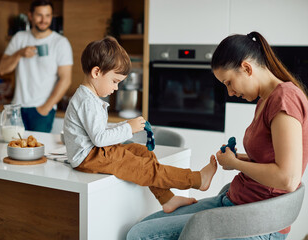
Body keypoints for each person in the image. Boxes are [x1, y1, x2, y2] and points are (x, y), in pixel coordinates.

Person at [126, 31, 308, 240]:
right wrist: (236, 160)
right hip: (235, 203)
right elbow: (271, 160)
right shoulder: (266, 99)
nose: (229, 92)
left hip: (256, 220)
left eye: (229, 82)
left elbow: (287, 178)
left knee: (140, 235)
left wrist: (236, 164)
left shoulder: (284, 99)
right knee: (144, 227)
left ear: (247, 68)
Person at [63, 36, 218, 213]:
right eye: (114, 81)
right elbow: (99, 139)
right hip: (90, 156)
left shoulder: (90, 98)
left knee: (143, 152)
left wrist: (126, 124)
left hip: (96, 152)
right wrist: (128, 128)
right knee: (145, 168)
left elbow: (98, 131)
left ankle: (166, 199)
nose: (116, 88)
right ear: (96, 72)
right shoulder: (87, 102)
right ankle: (197, 179)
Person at [0, 0, 73, 133]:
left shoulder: (60, 42)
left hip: (42, 109)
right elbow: (2, 69)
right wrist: (19, 53)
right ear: (30, 16)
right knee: (13, 148)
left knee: (37, 151)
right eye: (39, 15)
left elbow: (66, 79)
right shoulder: (19, 38)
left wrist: (46, 108)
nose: (44, 20)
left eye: (48, 15)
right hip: (17, 108)